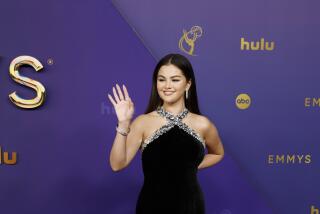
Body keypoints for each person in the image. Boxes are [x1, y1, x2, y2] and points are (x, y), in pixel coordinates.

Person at [108, 53, 224, 214]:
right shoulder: (143, 122)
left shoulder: (203, 124)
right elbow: (117, 164)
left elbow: (218, 153)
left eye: (175, 79)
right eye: (161, 79)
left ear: (188, 84)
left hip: (191, 206)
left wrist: (190, 167)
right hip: (152, 205)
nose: (167, 85)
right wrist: (123, 123)